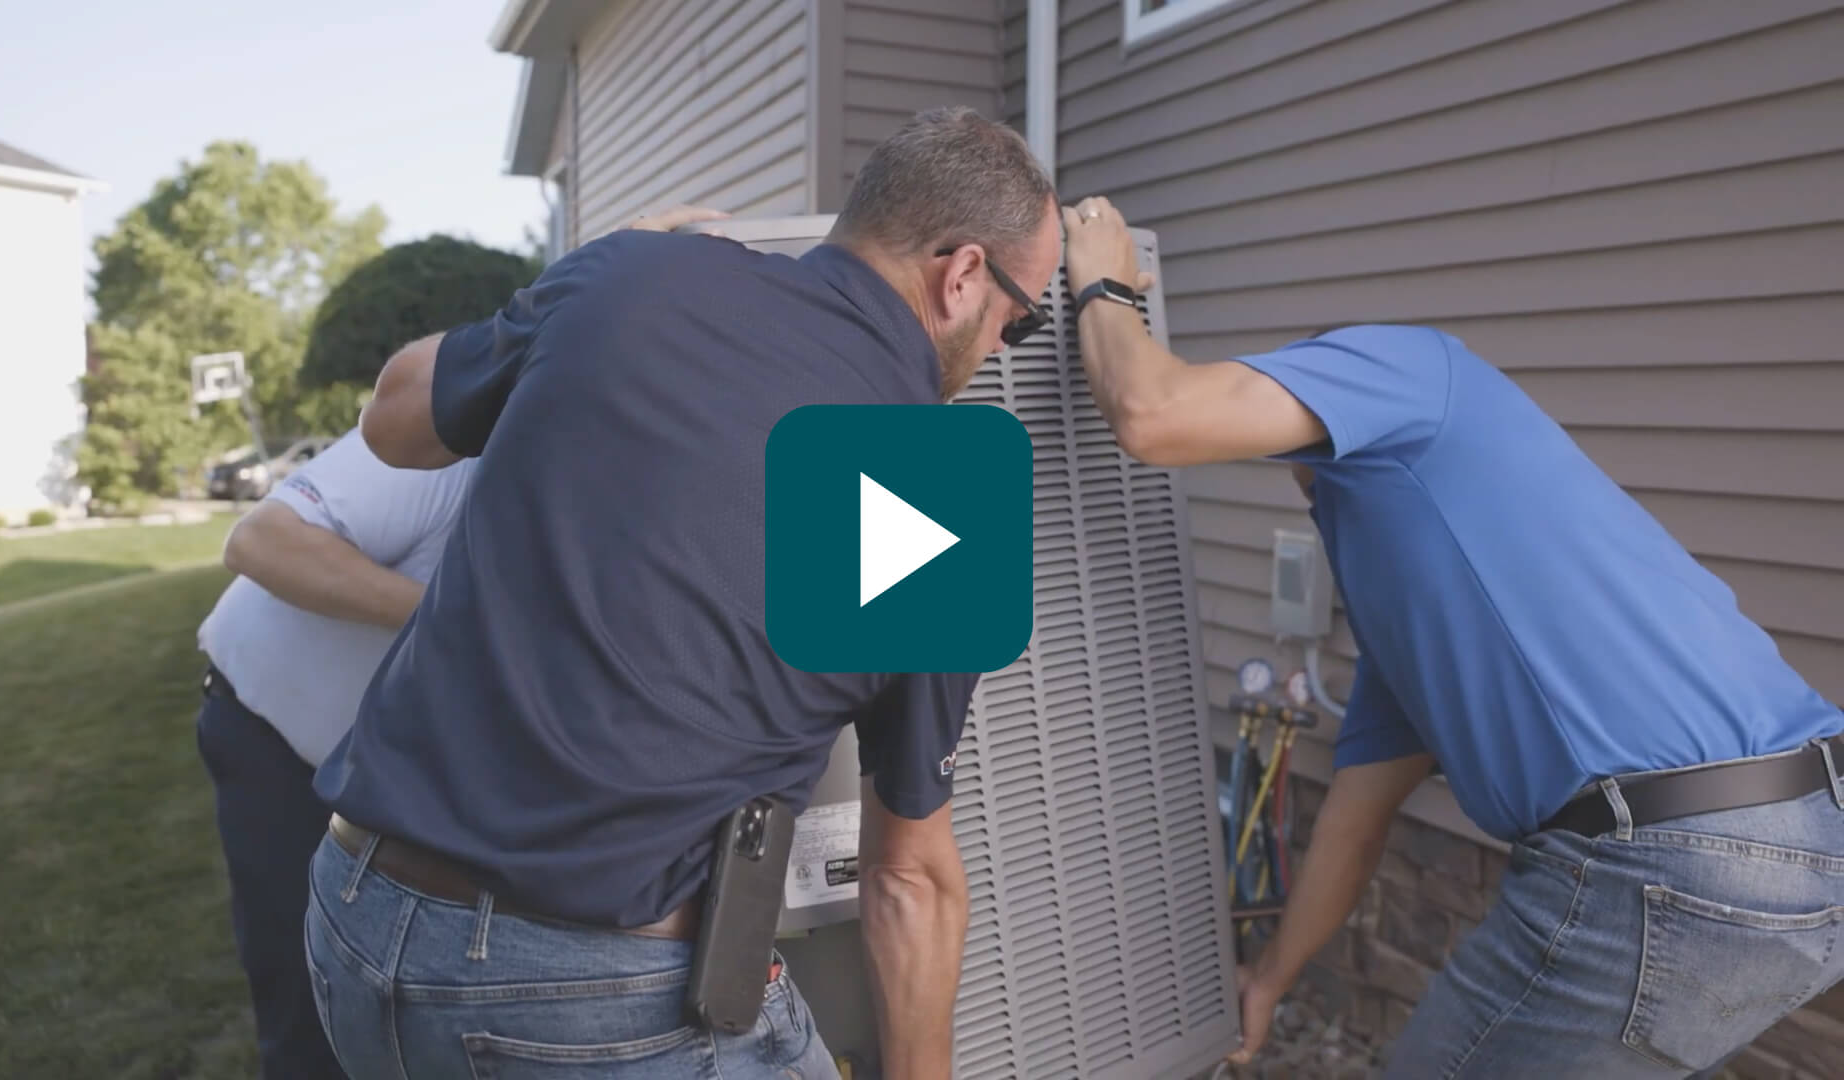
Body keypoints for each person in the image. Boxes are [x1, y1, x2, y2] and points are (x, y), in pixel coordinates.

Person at [301, 105, 1061, 1080]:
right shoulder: (939, 479)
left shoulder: (625, 274)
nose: (1004, 348)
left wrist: (570, 291)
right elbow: (908, 877)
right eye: (1021, 318)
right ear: (960, 275)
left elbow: (393, 421)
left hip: (356, 921)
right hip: (587, 1004)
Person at [1059, 195, 1844, 1079]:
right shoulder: (1416, 608)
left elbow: (1153, 415)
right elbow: (1355, 819)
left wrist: (1101, 284)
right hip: (1802, 847)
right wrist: (1271, 979)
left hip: (1669, 852)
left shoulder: (1408, 366)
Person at [194, 428, 475, 1080]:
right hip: (272, 735)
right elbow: (260, 541)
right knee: (313, 1016)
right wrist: (462, 622)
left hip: (383, 770)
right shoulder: (457, 443)